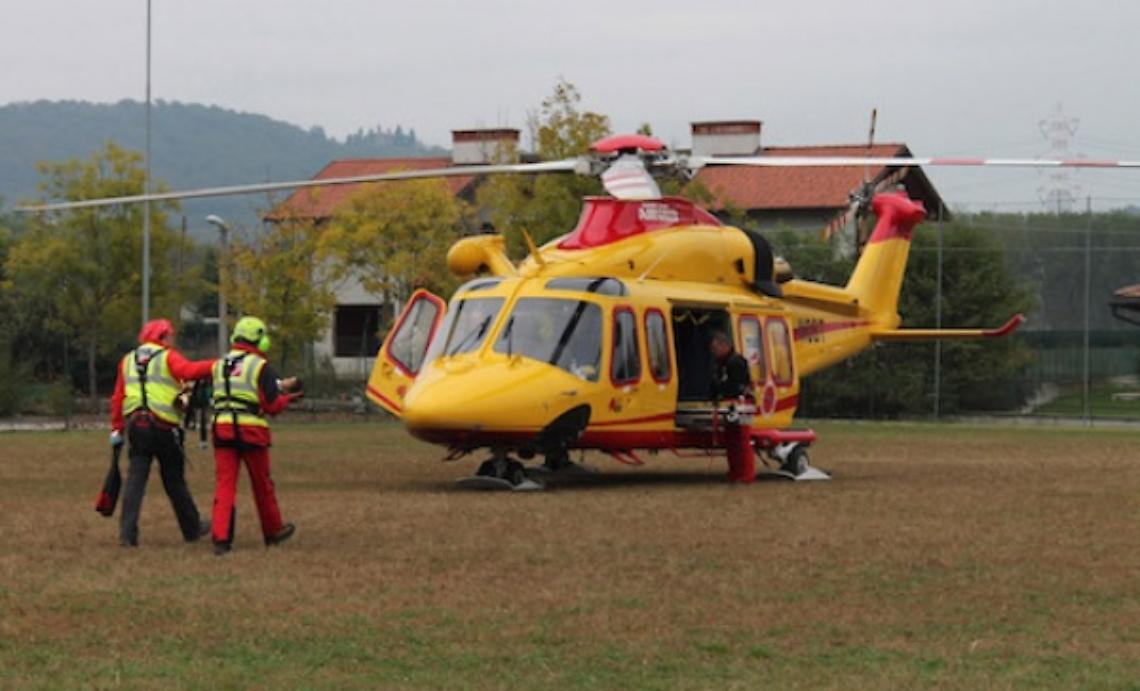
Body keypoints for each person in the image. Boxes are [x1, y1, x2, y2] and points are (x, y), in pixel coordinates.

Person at [110, 319, 215, 547]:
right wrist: (217, 365)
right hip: (163, 426)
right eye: (171, 336)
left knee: (135, 481)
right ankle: (192, 528)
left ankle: (127, 534)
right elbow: (189, 371)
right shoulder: (167, 356)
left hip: (137, 426)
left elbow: (118, 396)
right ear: (163, 336)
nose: (172, 340)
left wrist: (117, 427)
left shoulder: (128, 360)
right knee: (174, 480)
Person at [210, 316, 302, 555]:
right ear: (258, 339)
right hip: (251, 431)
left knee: (225, 485)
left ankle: (221, 538)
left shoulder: (219, 364)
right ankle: (273, 531)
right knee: (262, 484)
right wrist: (289, 399)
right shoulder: (260, 367)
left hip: (222, 429)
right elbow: (271, 405)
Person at [709, 331, 756, 484]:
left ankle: (746, 475)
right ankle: (735, 472)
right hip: (729, 405)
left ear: (724, 346)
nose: (714, 352)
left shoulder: (736, 362)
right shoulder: (721, 363)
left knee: (741, 440)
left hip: (739, 405)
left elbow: (735, 385)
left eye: (716, 348)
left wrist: (720, 387)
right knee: (731, 441)